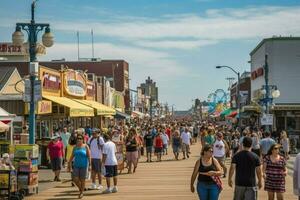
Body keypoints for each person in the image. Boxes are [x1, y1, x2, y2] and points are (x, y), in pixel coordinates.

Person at [67, 134, 91, 199]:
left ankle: (81, 193)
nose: (79, 140)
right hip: (76, 165)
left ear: (83, 139)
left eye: (80, 138)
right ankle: (81, 189)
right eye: (78, 138)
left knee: (82, 179)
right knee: (75, 179)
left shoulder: (86, 146)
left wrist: (90, 166)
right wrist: (69, 164)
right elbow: (72, 156)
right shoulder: (75, 147)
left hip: (84, 165)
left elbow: (89, 156)